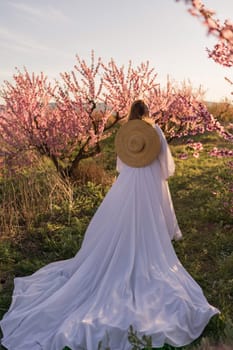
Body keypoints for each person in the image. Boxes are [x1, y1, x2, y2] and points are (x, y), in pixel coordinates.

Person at [0, 100, 219, 350]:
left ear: (130, 113)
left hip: (128, 182)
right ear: (147, 113)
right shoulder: (155, 130)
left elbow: (121, 164)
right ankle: (140, 251)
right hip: (148, 182)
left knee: (121, 220)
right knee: (147, 221)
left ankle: (123, 250)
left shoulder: (126, 132)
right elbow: (166, 167)